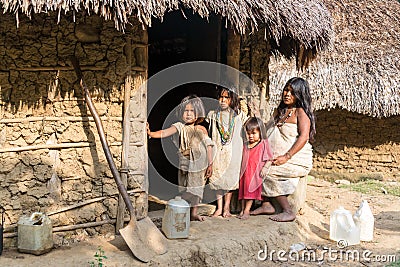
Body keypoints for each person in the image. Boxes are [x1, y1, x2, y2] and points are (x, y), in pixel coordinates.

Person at [251, 77, 316, 222]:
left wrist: (286, 157)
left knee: (267, 172)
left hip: (296, 158)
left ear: (300, 94)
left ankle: (288, 211)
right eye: (286, 90)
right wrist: (257, 116)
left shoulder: (301, 113)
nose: (287, 94)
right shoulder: (280, 111)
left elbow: (304, 137)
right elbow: (267, 129)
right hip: (277, 156)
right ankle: (267, 204)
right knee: (254, 166)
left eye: (292, 92)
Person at [147, 95, 214, 221]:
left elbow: (209, 146)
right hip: (184, 162)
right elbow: (164, 133)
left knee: (197, 189)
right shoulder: (179, 126)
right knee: (185, 187)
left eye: (192, 111)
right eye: (186, 111)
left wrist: (210, 164)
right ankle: (180, 207)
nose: (188, 114)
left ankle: (193, 213)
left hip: (199, 165)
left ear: (198, 113)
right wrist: (150, 133)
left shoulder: (201, 129)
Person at [206, 86, 248, 217]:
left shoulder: (239, 115)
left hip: (233, 152)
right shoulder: (212, 115)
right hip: (218, 151)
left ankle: (226, 208)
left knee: (229, 180)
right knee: (218, 178)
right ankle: (219, 207)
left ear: (232, 99)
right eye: (221, 97)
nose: (223, 100)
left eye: (226, 98)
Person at [238, 117, 273, 220]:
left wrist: (265, 168)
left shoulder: (263, 144)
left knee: (250, 192)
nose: (251, 136)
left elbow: (270, 158)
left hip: (255, 173)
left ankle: (246, 211)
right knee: (243, 191)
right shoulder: (245, 144)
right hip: (244, 172)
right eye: (248, 133)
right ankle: (242, 209)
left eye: (254, 133)